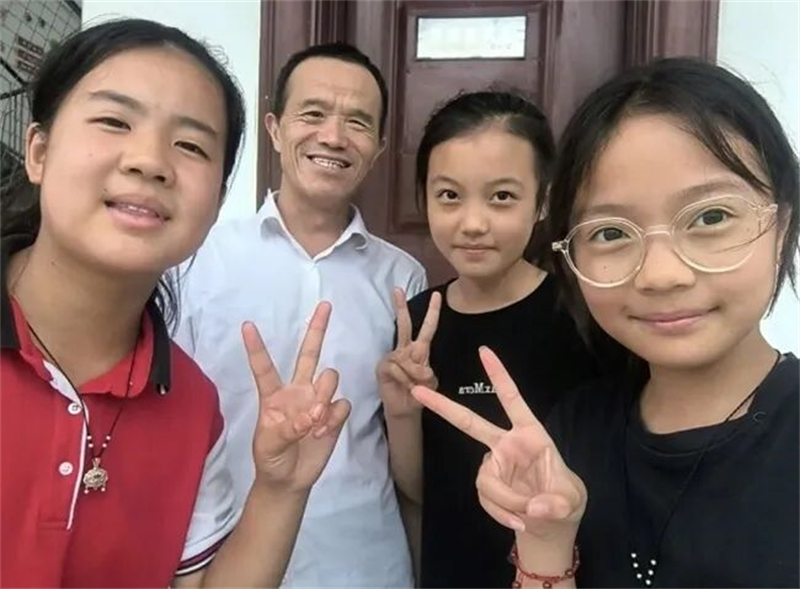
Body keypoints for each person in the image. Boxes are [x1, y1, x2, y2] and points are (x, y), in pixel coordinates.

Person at [412, 58, 799, 588]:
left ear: (783, 224)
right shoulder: (574, 433)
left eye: (710, 217)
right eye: (611, 232)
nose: (661, 275)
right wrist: (546, 538)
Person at [1, 19, 352, 588]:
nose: (149, 161)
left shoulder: (191, 406)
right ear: (39, 151)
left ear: (216, 202)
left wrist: (280, 490)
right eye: (115, 121)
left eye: (190, 145)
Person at [175, 42, 424, 587]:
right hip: (226, 563)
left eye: (357, 122)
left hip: (365, 566)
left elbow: (408, 448)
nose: (333, 137)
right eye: (313, 114)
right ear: (274, 128)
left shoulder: (403, 279)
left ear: (379, 148)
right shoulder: (195, 258)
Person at [378, 91, 614, 587]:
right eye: (449, 196)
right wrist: (401, 412)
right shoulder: (418, 324)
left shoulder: (585, 315)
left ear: (543, 200)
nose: (473, 223)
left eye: (502, 196)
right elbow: (420, 491)